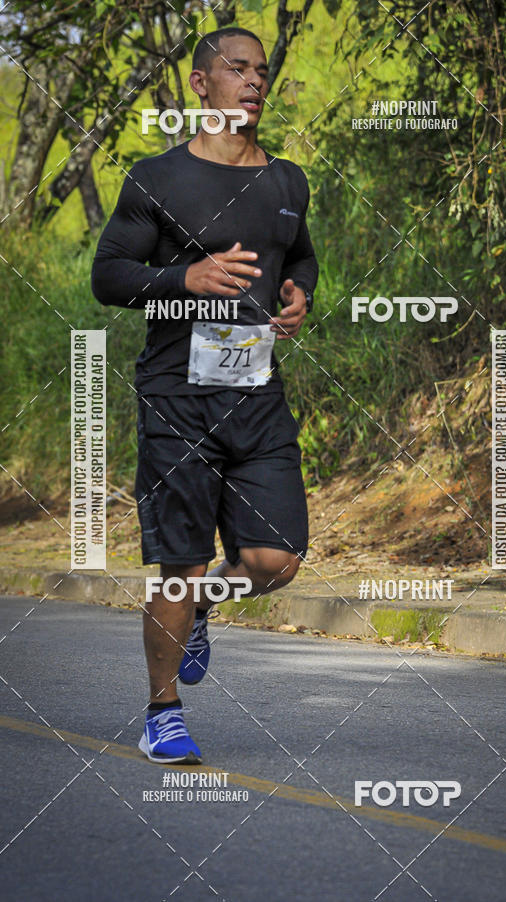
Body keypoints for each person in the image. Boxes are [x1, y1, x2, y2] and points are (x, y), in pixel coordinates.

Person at [91, 26, 318, 764]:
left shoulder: (287, 180)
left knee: (277, 559)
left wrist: (298, 294)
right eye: (237, 68)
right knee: (181, 566)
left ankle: (202, 610)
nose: (254, 81)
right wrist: (180, 281)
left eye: (261, 71)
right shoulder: (157, 178)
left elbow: (302, 257)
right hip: (175, 397)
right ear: (200, 84)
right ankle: (163, 713)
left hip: (256, 393)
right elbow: (110, 277)